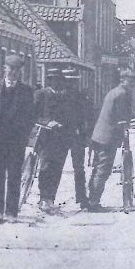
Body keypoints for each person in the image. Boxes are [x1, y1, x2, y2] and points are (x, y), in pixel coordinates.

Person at [0, 55, 36, 223]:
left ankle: (11, 212)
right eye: (10, 68)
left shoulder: (26, 91)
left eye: (17, 70)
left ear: (20, 72)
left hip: (16, 140)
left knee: (15, 174)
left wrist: (24, 135)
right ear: (5, 68)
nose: (13, 72)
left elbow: (31, 116)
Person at [86, 69, 135, 212]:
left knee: (97, 168)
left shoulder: (113, 92)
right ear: (123, 79)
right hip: (108, 137)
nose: (132, 83)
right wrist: (126, 128)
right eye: (130, 80)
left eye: (133, 80)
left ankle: (91, 199)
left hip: (99, 135)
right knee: (103, 170)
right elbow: (121, 118)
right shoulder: (122, 94)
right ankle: (93, 202)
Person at [34, 68, 81, 212]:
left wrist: (71, 130)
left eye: (59, 80)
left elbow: (71, 116)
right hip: (46, 137)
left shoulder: (66, 96)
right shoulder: (41, 94)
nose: (57, 82)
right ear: (49, 80)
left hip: (62, 138)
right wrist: (47, 122)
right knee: (46, 167)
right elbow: (33, 114)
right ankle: (43, 197)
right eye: (54, 79)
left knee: (57, 168)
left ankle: (51, 198)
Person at [62, 69, 90, 207]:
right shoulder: (59, 96)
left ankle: (81, 196)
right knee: (54, 166)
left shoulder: (81, 97)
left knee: (79, 167)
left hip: (77, 135)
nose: (71, 84)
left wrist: (84, 132)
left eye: (73, 81)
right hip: (60, 135)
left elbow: (86, 116)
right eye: (68, 81)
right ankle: (48, 198)